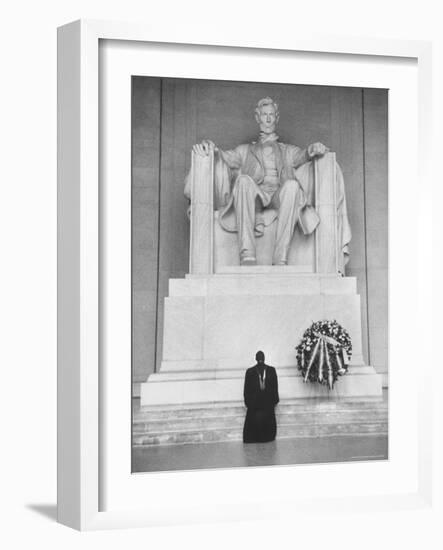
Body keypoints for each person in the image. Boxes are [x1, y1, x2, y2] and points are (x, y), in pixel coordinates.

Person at [191, 97, 329, 266]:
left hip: (279, 195)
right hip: (256, 195)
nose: (268, 119)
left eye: (271, 115)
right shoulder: (245, 150)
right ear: (258, 117)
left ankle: (281, 256)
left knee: (293, 186)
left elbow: (302, 156)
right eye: (264, 115)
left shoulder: (288, 150)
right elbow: (227, 158)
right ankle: (247, 253)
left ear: (277, 118)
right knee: (242, 181)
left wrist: (311, 149)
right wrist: (213, 148)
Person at [243, 351, 279, 443]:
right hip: (255, 403)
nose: (260, 359)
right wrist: (248, 402)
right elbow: (246, 388)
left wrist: (274, 400)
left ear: (264, 358)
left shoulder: (271, 370)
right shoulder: (250, 371)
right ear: (255, 358)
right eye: (258, 357)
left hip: (268, 402)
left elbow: (275, 386)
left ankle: (268, 437)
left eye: (261, 357)